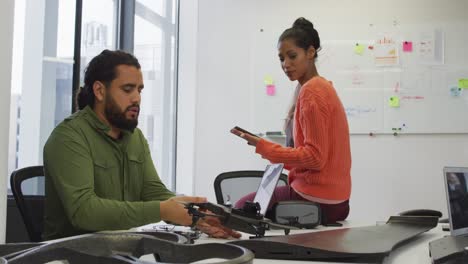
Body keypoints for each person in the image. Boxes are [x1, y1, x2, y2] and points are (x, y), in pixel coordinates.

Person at [43, 50, 240, 240]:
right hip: (71, 253)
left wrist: (195, 214)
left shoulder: (134, 137)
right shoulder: (69, 137)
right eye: (127, 89)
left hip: (118, 248)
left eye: (139, 90)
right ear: (100, 91)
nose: (136, 98)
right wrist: (163, 209)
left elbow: (153, 192)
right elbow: (84, 211)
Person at [231, 17, 351, 224]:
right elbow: (313, 157)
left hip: (316, 200)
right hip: (335, 201)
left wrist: (265, 147)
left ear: (311, 53)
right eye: (281, 58)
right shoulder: (320, 87)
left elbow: (315, 158)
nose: (286, 64)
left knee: (240, 210)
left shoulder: (312, 92)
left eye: (292, 56)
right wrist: (263, 146)